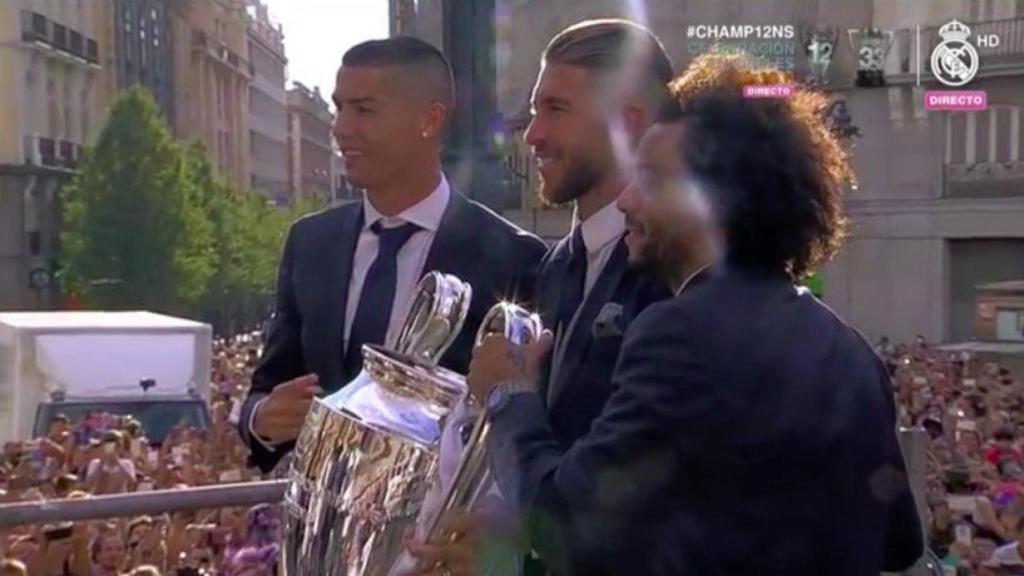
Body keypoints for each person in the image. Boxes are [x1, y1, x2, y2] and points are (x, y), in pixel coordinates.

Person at [466, 53, 924, 575]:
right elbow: (899, 543)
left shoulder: (679, 333)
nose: (627, 200)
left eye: (652, 179)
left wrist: (508, 394)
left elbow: (564, 523)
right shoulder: (851, 350)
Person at [404, 19, 680, 576]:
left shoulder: (674, 274)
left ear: (627, 125)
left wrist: (506, 391)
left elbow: (638, 500)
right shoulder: (552, 267)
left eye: (555, 110)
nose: (530, 135)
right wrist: (505, 540)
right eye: (532, 111)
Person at [238, 36, 546, 472]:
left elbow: (522, 423)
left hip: (443, 533)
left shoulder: (513, 257)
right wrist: (262, 418)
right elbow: (265, 390)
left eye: (363, 110)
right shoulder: (309, 244)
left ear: (430, 119)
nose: (341, 128)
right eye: (338, 106)